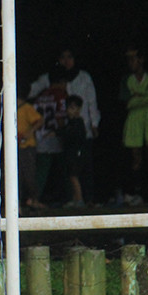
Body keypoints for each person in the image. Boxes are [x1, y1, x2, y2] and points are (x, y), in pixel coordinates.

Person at [30, 47, 101, 203]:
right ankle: (74, 199)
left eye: (70, 57)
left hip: (77, 131)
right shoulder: (49, 83)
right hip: (58, 134)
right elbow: (31, 93)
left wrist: (94, 124)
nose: (67, 61)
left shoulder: (83, 78)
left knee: (79, 168)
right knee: (67, 170)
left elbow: (91, 101)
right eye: (63, 57)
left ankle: (83, 200)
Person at [119, 46, 148, 205]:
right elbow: (127, 102)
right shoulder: (126, 79)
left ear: (141, 59)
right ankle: (137, 194)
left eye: (134, 58)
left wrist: (138, 99)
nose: (131, 62)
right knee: (135, 157)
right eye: (128, 59)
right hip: (134, 121)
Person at [30, 65, 68, 205]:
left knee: (41, 170)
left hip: (39, 136)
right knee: (62, 169)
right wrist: (64, 132)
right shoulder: (60, 94)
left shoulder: (41, 94)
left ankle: (36, 198)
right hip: (54, 137)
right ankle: (36, 199)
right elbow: (60, 117)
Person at [16, 81, 44, 211]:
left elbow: (39, 120)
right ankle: (17, 205)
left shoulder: (26, 108)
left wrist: (29, 132)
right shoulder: (8, 108)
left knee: (29, 176)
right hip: (14, 148)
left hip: (27, 148)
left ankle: (34, 200)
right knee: (16, 178)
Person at [60, 95, 88, 208]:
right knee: (70, 176)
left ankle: (79, 199)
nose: (70, 111)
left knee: (73, 176)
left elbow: (76, 138)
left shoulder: (78, 122)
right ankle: (74, 198)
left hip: (76, 153)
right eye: (68, 108)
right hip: (70, 153)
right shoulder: (70, 123)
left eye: (73, 108)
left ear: (79, 109)